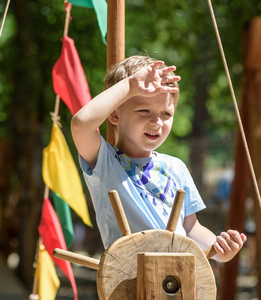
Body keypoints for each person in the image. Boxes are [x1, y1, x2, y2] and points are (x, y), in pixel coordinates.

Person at [71, 55, 246, 262]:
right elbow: (81, 124)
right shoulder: (106, 163)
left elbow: (190, 229)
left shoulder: (176, 167)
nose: (157, 122)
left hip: (178, 281)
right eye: (144, 111)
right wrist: (130, 86)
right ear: (115, 114)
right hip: (129, 283)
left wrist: (220, 249)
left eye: (166, 114)